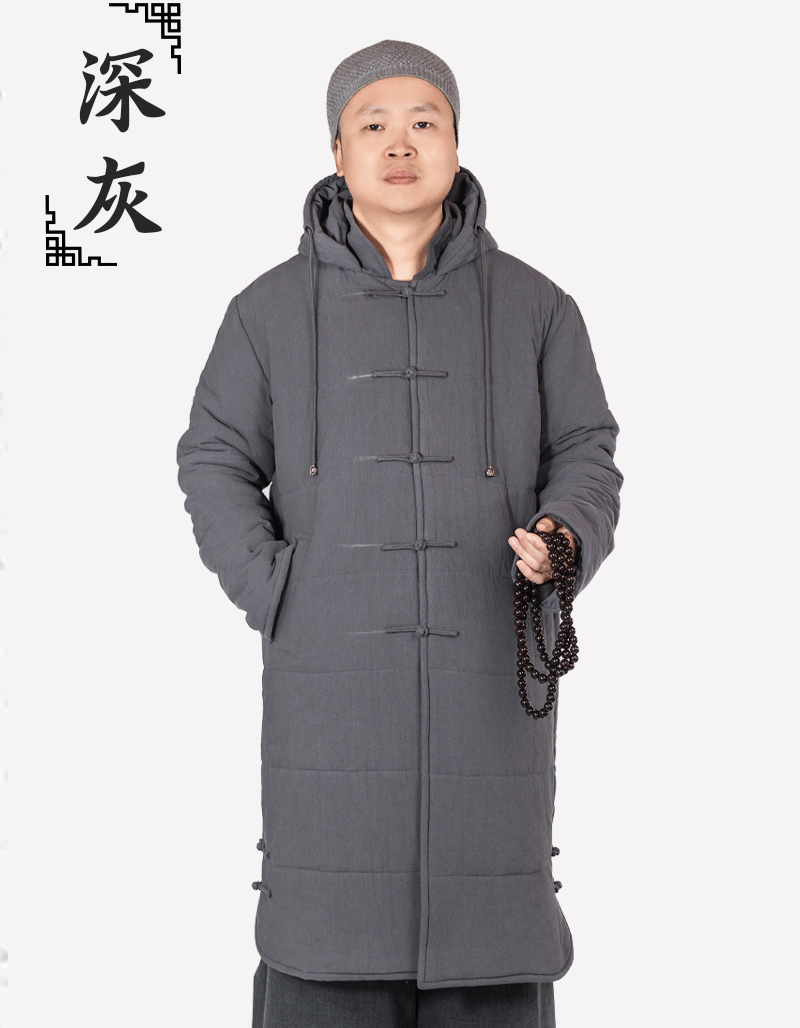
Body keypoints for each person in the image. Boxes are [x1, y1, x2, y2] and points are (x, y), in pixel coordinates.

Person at [176, 38, 623, 1028]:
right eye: (372, 122)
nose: (399, 142)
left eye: (424, 120)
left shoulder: (538, 307)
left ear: (456, 145)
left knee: (491, 936)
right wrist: (276, 586)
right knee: (324, 939)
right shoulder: (265, 311)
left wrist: (563, 537)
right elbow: (213, 455)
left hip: (492, 680)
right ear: (336, 152)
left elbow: (586, 449)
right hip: (327, 685)